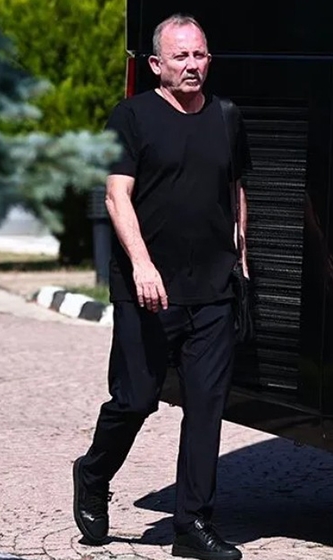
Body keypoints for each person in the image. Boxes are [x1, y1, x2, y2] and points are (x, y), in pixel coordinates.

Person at [71, 13, 249, 560]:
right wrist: (143, 266)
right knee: (136, 399)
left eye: (199, 55)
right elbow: (116, 196)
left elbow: (236, 191)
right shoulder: (131, 117)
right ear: (155, 64)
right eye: (180, 56)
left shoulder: (226, 116)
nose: (192, 65)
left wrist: (242, 261)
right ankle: (93, 472)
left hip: (213, 290)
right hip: (147, 289)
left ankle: (192, 525)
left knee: (206, 407)